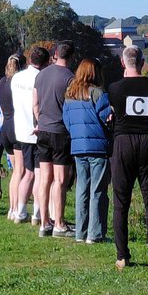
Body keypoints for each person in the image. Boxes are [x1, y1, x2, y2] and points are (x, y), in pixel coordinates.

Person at [108, 45, 148, 268]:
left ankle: (122, 256)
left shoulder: (114, 88)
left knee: (121, 201)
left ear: (123, 63)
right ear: (142, 63)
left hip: (123, 143)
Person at [62, 58, 112, 244]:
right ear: (95, 73)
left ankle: (80, 233)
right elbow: (107, 119)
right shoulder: (98, 94)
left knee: (81, 189)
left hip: (78, 148)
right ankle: (95, 233)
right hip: (98, 148)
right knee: (97, 191)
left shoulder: (70, 95)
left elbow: (67, 122)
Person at [32, 40, 75, 238]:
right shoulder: (70, 78)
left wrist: (39, 120)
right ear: (72, 56)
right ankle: (59, 223)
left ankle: (44, 223)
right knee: (60, 180)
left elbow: (35, 102)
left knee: (44, 179)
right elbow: (73, 107)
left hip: (42, 130)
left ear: (56, 54)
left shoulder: (41, 75)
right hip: (60, 131)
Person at [10, 46, 47, 223]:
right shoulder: (41, 78)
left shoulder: (16, 78)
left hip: (21, 130)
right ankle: (37, 213)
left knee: (27, 173)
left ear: (30, 60)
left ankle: (20, 211)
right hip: (37, 131)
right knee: (40, 175)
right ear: (46, 62)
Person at [0, 54, 23, 220]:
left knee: (15, 172)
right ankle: (17, 208)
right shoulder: (18, 84)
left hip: (4, 127)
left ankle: (11, 208)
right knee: (21, 171)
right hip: (16, 126)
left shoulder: (1, 83)